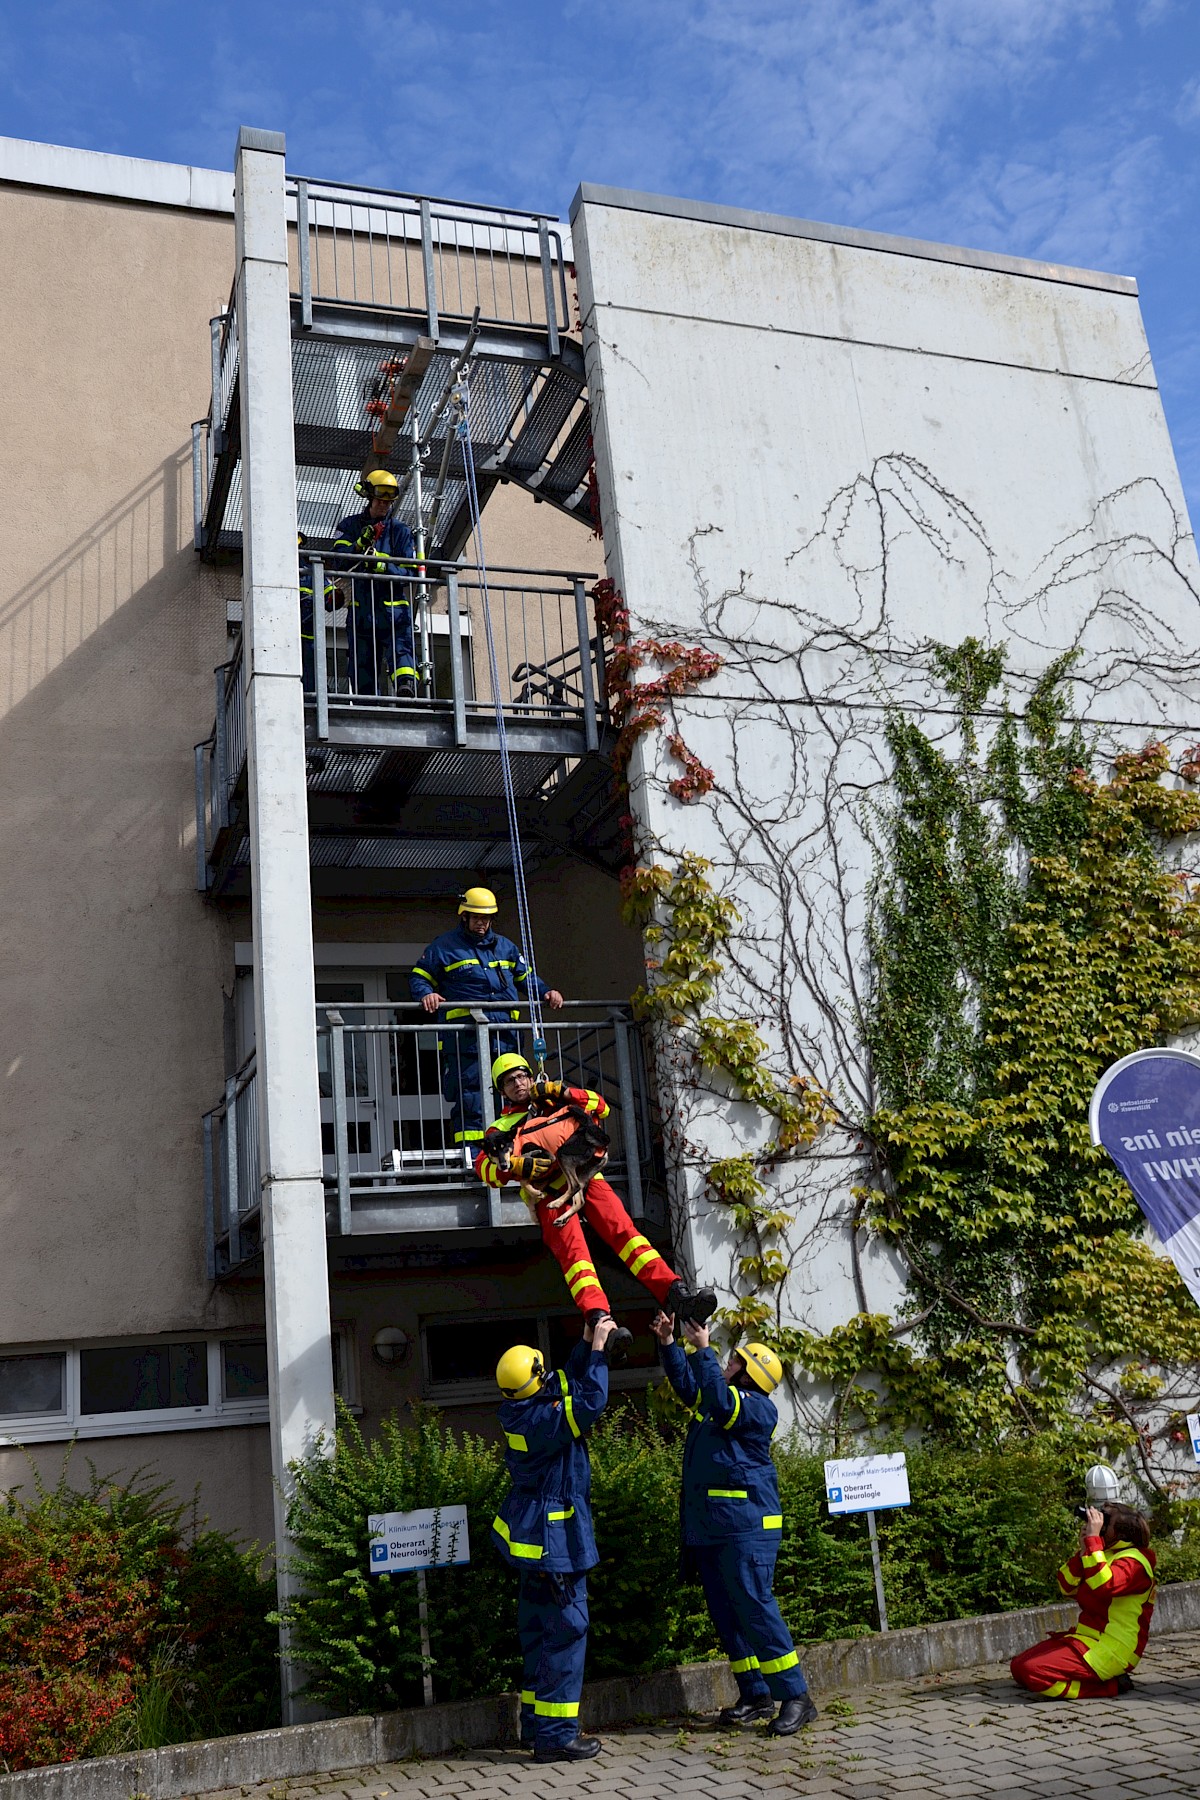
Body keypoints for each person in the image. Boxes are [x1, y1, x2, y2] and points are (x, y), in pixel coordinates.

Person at [652, 1310, 817, 1736]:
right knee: (728, 1613)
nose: (727, 1362)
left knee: (756, 1609)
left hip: (747, 1528)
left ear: (750, 1376)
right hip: (715, 1527)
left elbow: (718, 1399)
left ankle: (796, 1696)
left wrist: (704, 1349)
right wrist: (672, 1344)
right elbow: (693, 1389)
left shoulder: (756, 1409)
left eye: (735, 1361)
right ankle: (755, 1693)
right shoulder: (721, 1398)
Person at [477, 1054, 717, 1347]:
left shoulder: (553, 1099)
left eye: (521, 1076)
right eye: (509, 1081)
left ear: (530, 1076)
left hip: (587, 1177)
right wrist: (516, 1167)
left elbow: (599, 1106)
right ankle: (601, 1321)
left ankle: (677, 1294)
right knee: (576, 1257)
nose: (518, 1084)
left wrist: (560, 1091)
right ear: (501, 1090)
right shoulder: (500, 1127)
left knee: (627, 1235)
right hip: (550, 1194)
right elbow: (484, 1169)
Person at [493, 1315, 618, 1763]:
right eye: (541, 1372)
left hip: (531, 1545)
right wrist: (601, 1350)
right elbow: (591, 1402)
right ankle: (556, 1737)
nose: (549, 1377)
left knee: (538, 1633)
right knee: (567, 1630)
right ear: (533, 1384)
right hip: (555, 1543)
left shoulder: (519, 1408)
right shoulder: (546, 1420)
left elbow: (561, 1380)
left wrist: (585, 1341)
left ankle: (534, 1725)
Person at [410, 888, 563, 1151]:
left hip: (506, 1038)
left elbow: (525, 977)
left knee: (515, 1093)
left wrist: (546, 992)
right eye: (477, 917)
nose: (482, 923)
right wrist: (428, 994)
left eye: (487, 918)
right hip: (465, 1041)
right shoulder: (444, 947)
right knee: (472, 1098)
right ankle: (476, 1159)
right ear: (465, 916)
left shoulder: (506, 947)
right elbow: (419, 977)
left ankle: (513, 1153)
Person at [1010, 1502, 1156, 1698]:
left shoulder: (1136, 1562)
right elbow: (1066, 1586)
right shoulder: (1101, 1553)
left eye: (1104, 1523)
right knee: (1018, 1668)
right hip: (1086, 1639)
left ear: (1120, 1534)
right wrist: (1083, 1552)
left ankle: (1110, 1687)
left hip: (1113, 1648)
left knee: (1034, 1672)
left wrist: (1094, 1542)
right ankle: (1093, 1677)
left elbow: (1104, 1586)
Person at [332, 468, 419, 698]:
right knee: (362, 663)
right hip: (362, 610)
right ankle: (366, 702)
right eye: (380, 500)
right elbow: (338, 561)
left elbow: (410, 573)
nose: (384, 506)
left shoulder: (400, 531)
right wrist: (359, 546)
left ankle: (405, 688)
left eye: (388, 502)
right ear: (369, 497)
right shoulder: (350, 526)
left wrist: (382, 565)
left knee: (402, 651)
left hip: (393, 609)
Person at [298, 534, 338, 694]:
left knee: (310, 677)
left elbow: (331, 595)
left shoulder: (310, 574)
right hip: (285, 640)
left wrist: (334, 597)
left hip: (308, 639)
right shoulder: (275, 573)